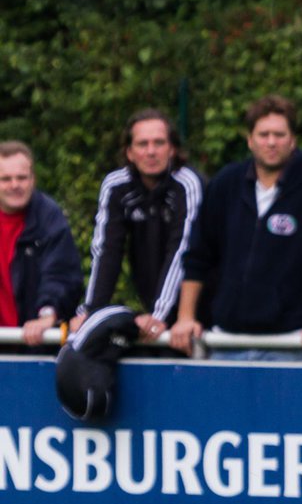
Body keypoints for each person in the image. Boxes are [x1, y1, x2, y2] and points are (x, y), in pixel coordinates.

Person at [169, 95, 302, 360]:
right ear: (250, 139)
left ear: (293, 140)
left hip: (292, 344)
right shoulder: (225, 184)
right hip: (225, 341)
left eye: (279, 134)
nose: (271, 142)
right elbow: (198, 255)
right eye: (263, 134)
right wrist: (185, 317)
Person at [76, 109, 204, 343]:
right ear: (130, 152)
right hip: (154, 310)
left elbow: (182, 251)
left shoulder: (187, 183)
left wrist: (158, 315)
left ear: (172, 149)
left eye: (159, 143)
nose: (151, 151)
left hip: (199, 313)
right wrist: (90, 313)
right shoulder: (116, 185)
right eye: (142, 144)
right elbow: (106, 251)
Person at [0, 141, 82, 347]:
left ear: (33, 179)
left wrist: (47, 314)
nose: (14, 185)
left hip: (36, 342)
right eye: (5, 179)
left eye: (21, 178)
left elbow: (61, 273)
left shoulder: (49, 217)